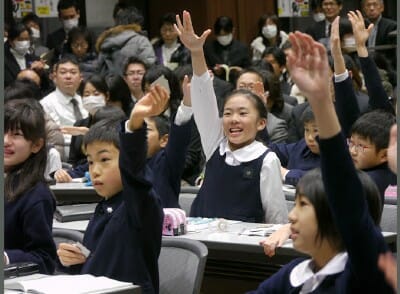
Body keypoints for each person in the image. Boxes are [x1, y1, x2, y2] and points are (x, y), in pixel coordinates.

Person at [251, 30, 392, 293]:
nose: (291, 215)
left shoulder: (364, 270)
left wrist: (320, 101)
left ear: (336, 214)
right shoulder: (296, 272)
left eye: (303, 205)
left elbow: (343, 186)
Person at [175, 11, 288, 223]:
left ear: (261, 123)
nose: (233, 119)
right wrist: (197, 52)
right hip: (205, 242)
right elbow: (203, 99)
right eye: (227, 113)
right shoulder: (215, 144)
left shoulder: (266, 159)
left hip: (243, 250)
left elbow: (276, 217)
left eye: (243, 113)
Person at [56, 85, 168, 293]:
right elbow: (95, 268)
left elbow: (135, 173)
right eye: (90, 162)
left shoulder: (140, 203)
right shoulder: (104, 205)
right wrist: (75, 261)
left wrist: (134, 125)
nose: (94, 171)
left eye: (105, 159)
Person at [4, 98, 57, 274]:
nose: (6, 141)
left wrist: (6, 258)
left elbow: (45, 258)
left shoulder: (36, 195)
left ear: (36, 145)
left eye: (16, 134)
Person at [40, 56, 87, 158]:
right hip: (63, 155)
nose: (68, 76)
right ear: (54, 77)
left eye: (73, 72)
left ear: (80, 78)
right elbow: (55, 136)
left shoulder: (85, 100)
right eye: (63, 72)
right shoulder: (46, 103)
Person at [96, 6, 155, 77]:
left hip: (111, 85)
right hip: (136, 84)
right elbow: (150, 65)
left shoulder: (107, 41)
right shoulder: (141, 40)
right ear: (136, 23)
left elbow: (100, 69)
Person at [269, 107, 321, 186]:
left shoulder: (341, 154)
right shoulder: (303, 145)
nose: (310, 138)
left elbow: (321, 180)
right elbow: (278, 150)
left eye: (316, 130)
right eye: (307, 130)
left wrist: (286, 173)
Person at [204, 16, 251, 82]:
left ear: (233, 31)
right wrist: (214, 70)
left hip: (237, 82)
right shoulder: (208, 48)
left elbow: (249, 69)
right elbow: (204, 68)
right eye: (220, 35)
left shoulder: (242, 48)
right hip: (216, 83)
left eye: (226, 34)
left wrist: (241, 71)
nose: (223, 38)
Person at [4, 22, 46, 88]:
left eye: (27, 39)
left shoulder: (35, 59)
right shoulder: (5, 60)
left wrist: (41, 73)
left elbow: (46, 86)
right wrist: (29, 71)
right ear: (11, 41)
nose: (24, 43)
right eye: (20, 39)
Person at [361, 0, 397, 67]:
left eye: (375, 4)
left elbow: (392, 55)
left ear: (382, 8)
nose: (371, 8)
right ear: (363, 9)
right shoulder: (359, 26)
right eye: (368, 5)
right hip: (363, 64)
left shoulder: (392, 26)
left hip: (385, 66)